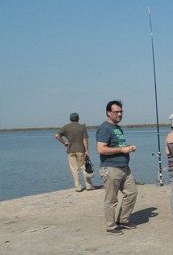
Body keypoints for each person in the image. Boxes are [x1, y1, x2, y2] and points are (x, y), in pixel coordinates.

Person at [96, 100, 138, 235]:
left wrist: (127, 148)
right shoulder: (104, 128)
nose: (119, 114)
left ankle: (123, 220)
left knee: (132, 193)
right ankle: (111, 226)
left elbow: (118, 146)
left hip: (124, 167)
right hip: (111, 168)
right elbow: (101, 150)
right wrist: (122, 150)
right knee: (111, 199)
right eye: (116, 112)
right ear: (109, 113)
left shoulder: (117, 128)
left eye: (121, 112)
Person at [55, 113, 94, 192]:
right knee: (84, 167)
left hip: (70, 150)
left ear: (70, 119)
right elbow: (85, 140)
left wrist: (64, 142)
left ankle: (78, 187)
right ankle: (88, 185)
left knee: (74, 169)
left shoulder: (66, 127)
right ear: (78, 118)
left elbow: (57, 135)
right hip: (81, 150)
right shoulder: (82, 127)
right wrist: (86, 150)